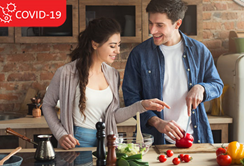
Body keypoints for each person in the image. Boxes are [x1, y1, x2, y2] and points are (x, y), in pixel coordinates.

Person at [43, 17, 170, 150]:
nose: (117, 51)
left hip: (107, 142)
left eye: (118, 45)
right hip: (77, 141)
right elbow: (47, 105)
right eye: (112, 46)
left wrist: (142, 105)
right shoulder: (66, 73)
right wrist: (60, 134)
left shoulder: (113, 74)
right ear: (95, 44)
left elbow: (113, 116)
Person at [122, 0, 223, 145]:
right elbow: (131, 99)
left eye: (159, 25)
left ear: (177, 24)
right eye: (150, 23)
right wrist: (157, 122)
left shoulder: (199, 51)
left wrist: (201, 88)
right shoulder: (139, 54)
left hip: (195, 139)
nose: (152, 30)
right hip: (155, 142)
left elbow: (217, 85)